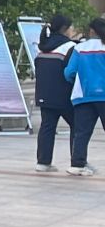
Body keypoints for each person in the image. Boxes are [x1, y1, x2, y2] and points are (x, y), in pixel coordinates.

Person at [34, 15, 76, 173]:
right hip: (64, 94)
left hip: (44, 93)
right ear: (65, 28)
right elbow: (72, 71)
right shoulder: (70, 46)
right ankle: (77, 162)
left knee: (47, 126)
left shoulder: (42, 45)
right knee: (77, 125)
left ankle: (43, 162)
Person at [66, 17, 105, 177]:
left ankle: (77, 165)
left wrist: (75, 81)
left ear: (92, 31)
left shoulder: (80, 48)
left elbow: (69, 72)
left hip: (83, 95)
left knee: (82, 132)